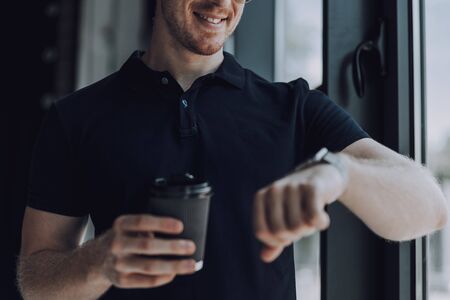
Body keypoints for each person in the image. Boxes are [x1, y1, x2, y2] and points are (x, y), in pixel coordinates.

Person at [17, 0, 448, 299]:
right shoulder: (75, 118)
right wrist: (97, 263)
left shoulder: (294, 107)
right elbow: (35, 279)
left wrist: (337, 172)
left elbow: (429, 205)